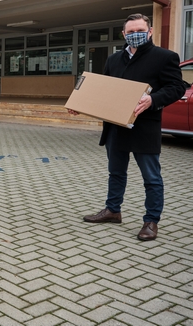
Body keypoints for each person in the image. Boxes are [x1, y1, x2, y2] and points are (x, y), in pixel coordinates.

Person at [77, 13, 185, 241]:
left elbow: (177, 88)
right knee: (116, 173)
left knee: (151, 178)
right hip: (116, 127)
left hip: (144, 128)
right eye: (131, 32)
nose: (136, 35)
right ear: (124, 34)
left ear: (150, 31)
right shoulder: (113, 59)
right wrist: (81, 104)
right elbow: (104, 90)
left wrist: (153, 99)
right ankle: (113, 210)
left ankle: (151, 221)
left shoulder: (165, 57)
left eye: (140, 30)